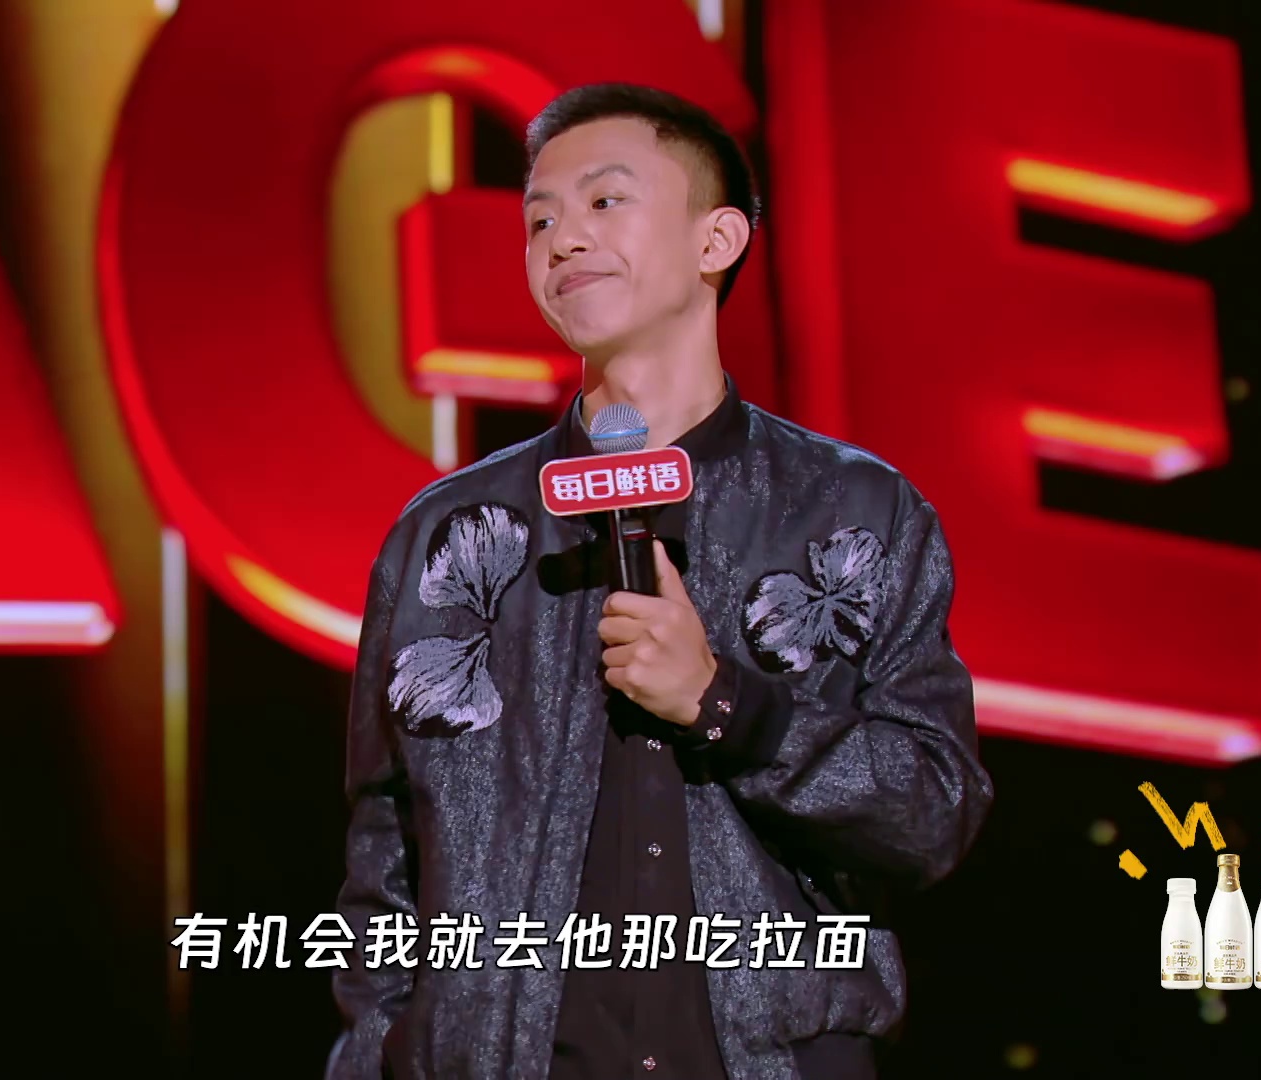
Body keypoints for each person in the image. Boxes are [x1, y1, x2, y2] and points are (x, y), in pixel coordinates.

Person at [328, 82, 993, 1080]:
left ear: (717, 239)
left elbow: (932, 812)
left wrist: (724, 705)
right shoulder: (452, 533)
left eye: (605, 201)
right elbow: (383, 855)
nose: (563, 240)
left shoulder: (853, 509)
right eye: (539, 220)